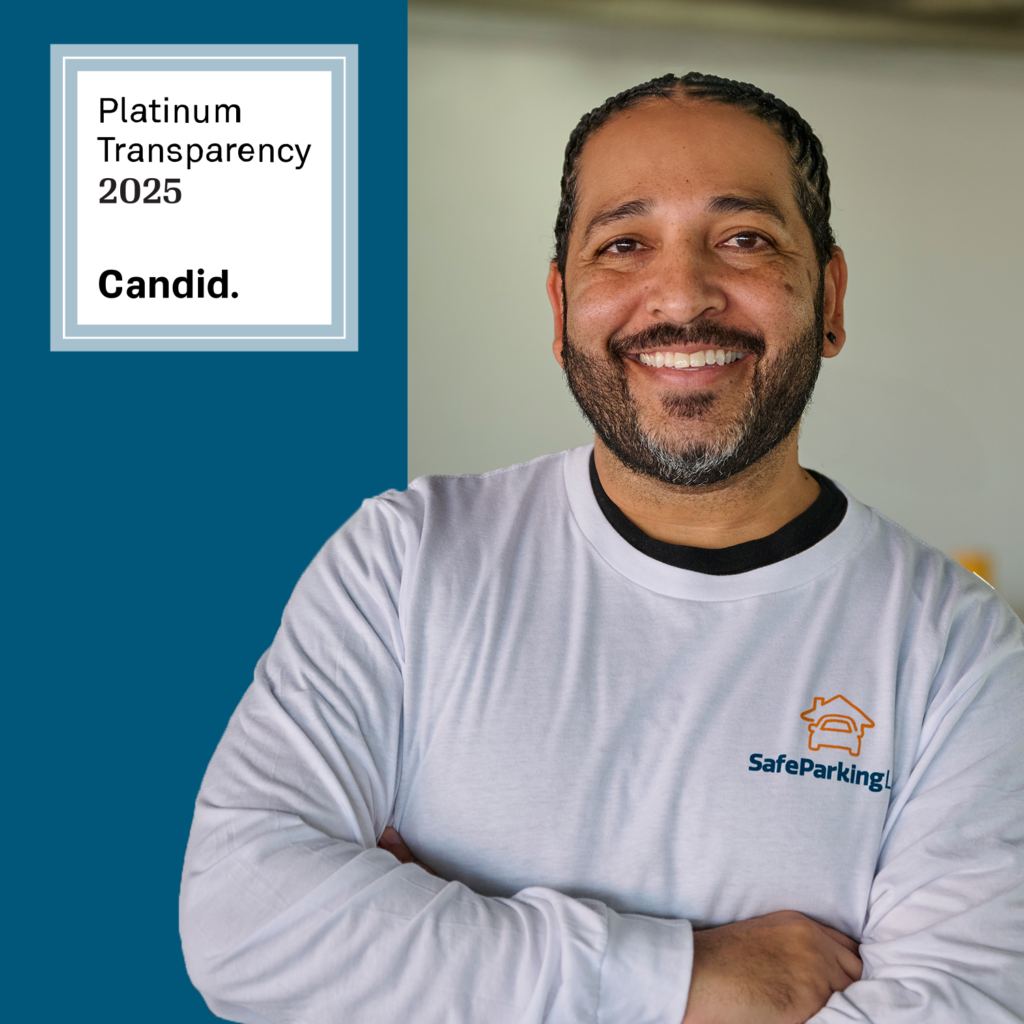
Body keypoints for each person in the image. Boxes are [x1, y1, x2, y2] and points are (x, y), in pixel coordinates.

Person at [180, 73, 1024, 1024]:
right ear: (560, 306)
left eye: (744, 238)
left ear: (828, 295)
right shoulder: (407, 562)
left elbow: (960, 1009)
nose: (683, 296)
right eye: (625, 244)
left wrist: (437, 954)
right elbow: (245, 921)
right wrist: (687, 980)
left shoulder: (961, 651)